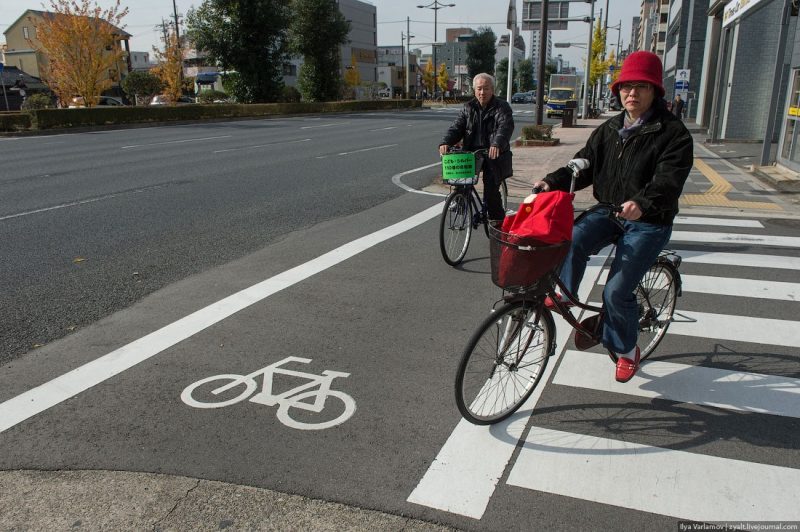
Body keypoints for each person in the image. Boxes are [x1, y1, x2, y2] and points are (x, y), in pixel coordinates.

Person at [531, 50, 693, 383]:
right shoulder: (610, 129)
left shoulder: (673, 134)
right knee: (572, 237)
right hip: (611, 210)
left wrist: (643, 203)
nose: (631, 93)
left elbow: (669, 180)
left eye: (640, 87)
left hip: (650, 220)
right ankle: (565, 294)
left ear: (654, 91)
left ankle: (627, 349)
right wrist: (552, 182)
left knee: (616, 291)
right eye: (625, 87)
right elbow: (584, 163)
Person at [439, 73, 514, 223]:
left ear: (492, 90)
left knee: (491, 192)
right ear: (474, 90)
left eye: (486, 88)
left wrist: (497, 144)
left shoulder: (502, 106)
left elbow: (505, 127)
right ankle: (460, 199)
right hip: (473, 153)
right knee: (460, 179)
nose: (482, 92)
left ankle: (497, 225)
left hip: (494, 155)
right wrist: (445, 142)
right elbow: (457, 127)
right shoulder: (468, 108)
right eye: (479, 88)